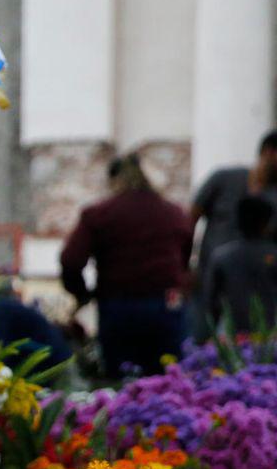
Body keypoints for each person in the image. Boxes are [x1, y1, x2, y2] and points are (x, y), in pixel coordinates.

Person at [60, 153, 192, 377]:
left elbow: (71, 260)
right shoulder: (174, 213)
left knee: (120, 384)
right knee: (169, 381)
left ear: (113, 180)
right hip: (166, 306)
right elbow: (184, 259)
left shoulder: (100, 214)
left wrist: (81, 294)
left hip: (119, 308)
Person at [191, 130, 277, 334]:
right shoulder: (224, 179)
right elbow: (190, 218)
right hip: (211, 280)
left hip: (258, 290)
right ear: (269, 152)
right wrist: (185, 266)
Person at [206, 195, 277, 333]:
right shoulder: (273, 255)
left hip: (233, 335)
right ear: (266, 223)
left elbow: (212, 304)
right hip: (270, 333)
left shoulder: (222, 256)